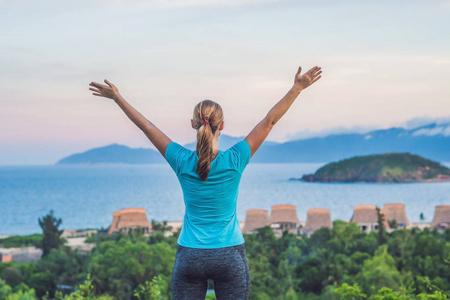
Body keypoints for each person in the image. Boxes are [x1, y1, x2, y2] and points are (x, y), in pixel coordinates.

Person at [88, 65, 322, 299]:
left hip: (191, 254)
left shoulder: (181, 160)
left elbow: (147, 127)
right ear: (222, 126)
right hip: (229, 253)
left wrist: (118, 98)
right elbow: (269, 121)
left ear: (192, 124)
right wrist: (297, 88)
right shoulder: (235, 158)